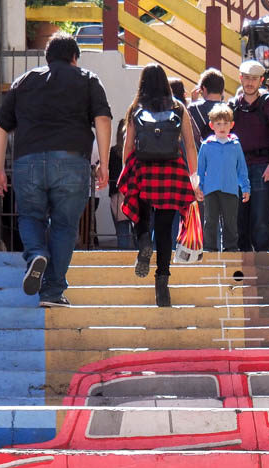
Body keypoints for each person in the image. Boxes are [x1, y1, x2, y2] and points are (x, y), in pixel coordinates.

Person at [0, 34, 112, 308]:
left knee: (30, 216)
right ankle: (53, 291)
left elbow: (1, 126)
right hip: (71, 161)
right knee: (64, 225)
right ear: (74, 57)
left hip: (28, 161)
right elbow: (102, 120)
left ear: (47, 58)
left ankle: (35, 254)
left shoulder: (24, 81)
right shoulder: (88, 79)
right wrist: (103, 164)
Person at [117, 63, 198, 307]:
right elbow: (190, 146)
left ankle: (143, 240)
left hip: (143, 168)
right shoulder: (178, 107)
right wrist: (193, 177)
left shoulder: (136, 108)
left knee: (141, 214)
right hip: (172, 171)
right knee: (164, 229)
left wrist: (126, 170)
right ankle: (162, 282)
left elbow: (129, 145)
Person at [230, 60, 269, 252]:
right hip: (237, 167)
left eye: (254, 79)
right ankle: (242, 258)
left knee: (261, 217)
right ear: (240, 78)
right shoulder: (232, 106)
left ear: (261, 80)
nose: (249, 83)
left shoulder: (268, 104)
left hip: (262, 165)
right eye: (246, 78)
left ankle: (263, 259)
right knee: (238, 216)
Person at [195, 104, 250, 252]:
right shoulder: (206, 146)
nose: (222, 127)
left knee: (230, 221)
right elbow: (200, 170)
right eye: (218, 123)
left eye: (226, 123)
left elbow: (241, 169)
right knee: (210, 221)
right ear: (212, 125)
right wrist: (199, 187)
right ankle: (209, 248)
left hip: (230, 190)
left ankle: (230, 247)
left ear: (231, 125)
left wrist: (245, 187)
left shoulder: (235, 145)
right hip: (211, 190)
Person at [107, 120, 134, 250]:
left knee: (122, 231)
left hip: (117, 195)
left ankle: (123, 258)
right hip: (134, 193)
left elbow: (107, 170)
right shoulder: (135, 152)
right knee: (138, 232)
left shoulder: (113, 152)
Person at [188, 68, 226, 142]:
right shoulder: (230, 109)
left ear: (203, 88)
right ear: (222, 89)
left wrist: (193, 101)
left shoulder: (193, 108)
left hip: (200, 152)